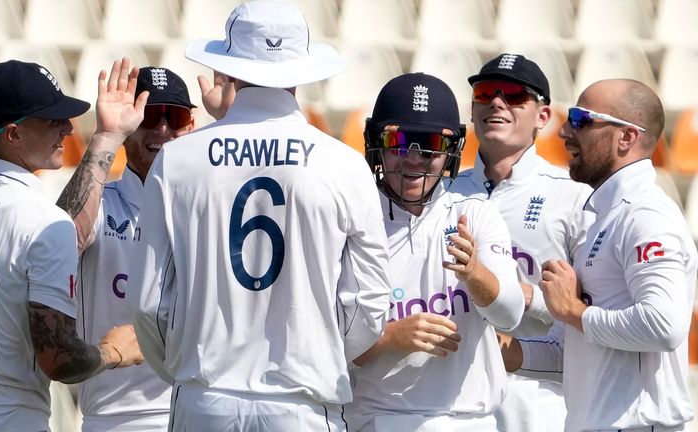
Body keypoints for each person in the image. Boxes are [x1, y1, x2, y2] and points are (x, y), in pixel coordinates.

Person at [128, 1, 391, 431]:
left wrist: (183, 367)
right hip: (303, 402)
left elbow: (150, 303)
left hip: (204, 396)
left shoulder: (177, 160)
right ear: (301, 67)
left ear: (228, 68)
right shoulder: (343, 163)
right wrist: (319, 349)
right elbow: (369, 303)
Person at [0, 59, 143, 431]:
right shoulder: (44, 222)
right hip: (5, 421)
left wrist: (107, 136)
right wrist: (114, 352)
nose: (68, 128)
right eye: (52, 120)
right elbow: (60, 360)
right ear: (13, 134)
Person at [502, 78, 697, 432]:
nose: (563, 131)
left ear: (627, 137)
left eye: (580, 119)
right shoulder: (606, 218)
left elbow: (663, 325)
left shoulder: (644, 215)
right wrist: (498, 349)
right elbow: (571, 351)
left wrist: (574, 311)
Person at [345, 72, 524, 432]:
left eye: (430, 144)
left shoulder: (475, 214)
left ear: (452, 150)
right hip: (380, 420)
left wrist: (474, 273)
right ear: (375, 142)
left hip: (469, 421)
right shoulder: (350, 222)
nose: (413, 158)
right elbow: (323, 344)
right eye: (398, 140)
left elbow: (510, 315)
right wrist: (388, 338)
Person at [449, 53, 593, 432]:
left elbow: (593, 308)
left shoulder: (575, 197)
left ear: (543, 117)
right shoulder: (441, 192)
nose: (497, 102)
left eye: (514, 95)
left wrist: (526, 296)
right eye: (484, 93)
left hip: (538, 399)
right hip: (451, 393)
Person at [57, 66, 196, 431]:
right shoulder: (104, 205)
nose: (163, 129)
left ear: (191, 126)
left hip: (198, 409)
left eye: (175, 116)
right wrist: (106, 134)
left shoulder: (210, 206)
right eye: (150, 115)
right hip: (117, 418)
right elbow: (59, 244)